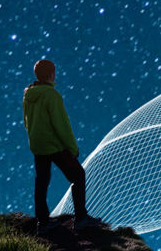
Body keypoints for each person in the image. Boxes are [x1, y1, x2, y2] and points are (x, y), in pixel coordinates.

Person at [23, 59, 99, 233]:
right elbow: (62, 125)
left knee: (41, 182)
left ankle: (43, 222)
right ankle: (81, 218)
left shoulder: (28, 94)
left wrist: (35, 137)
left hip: (38, 146)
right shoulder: (52, 95)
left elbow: (26, 121)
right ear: (51, 74)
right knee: (78, 175)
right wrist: (72, 148)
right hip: (54, 145)